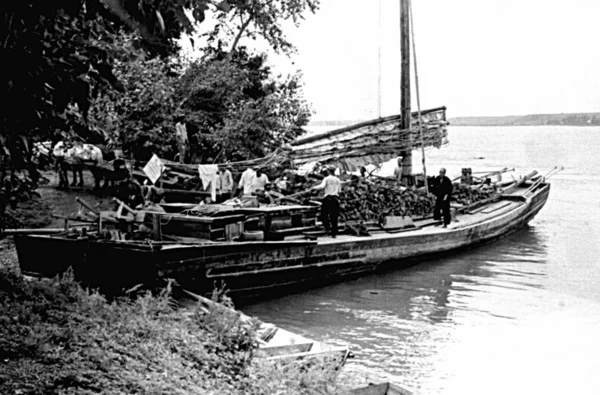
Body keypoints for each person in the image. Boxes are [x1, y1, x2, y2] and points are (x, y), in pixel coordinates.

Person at [312, 167, 342, 238]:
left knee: (324, 214)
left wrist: (314, 188)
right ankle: (334, 233)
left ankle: (327, 228)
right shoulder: (338, 180)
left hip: (328, 198)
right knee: (334, 216)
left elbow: (322, 186)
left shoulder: (326, 179)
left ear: (328, 171)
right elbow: (339, 191)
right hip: (335, 199)